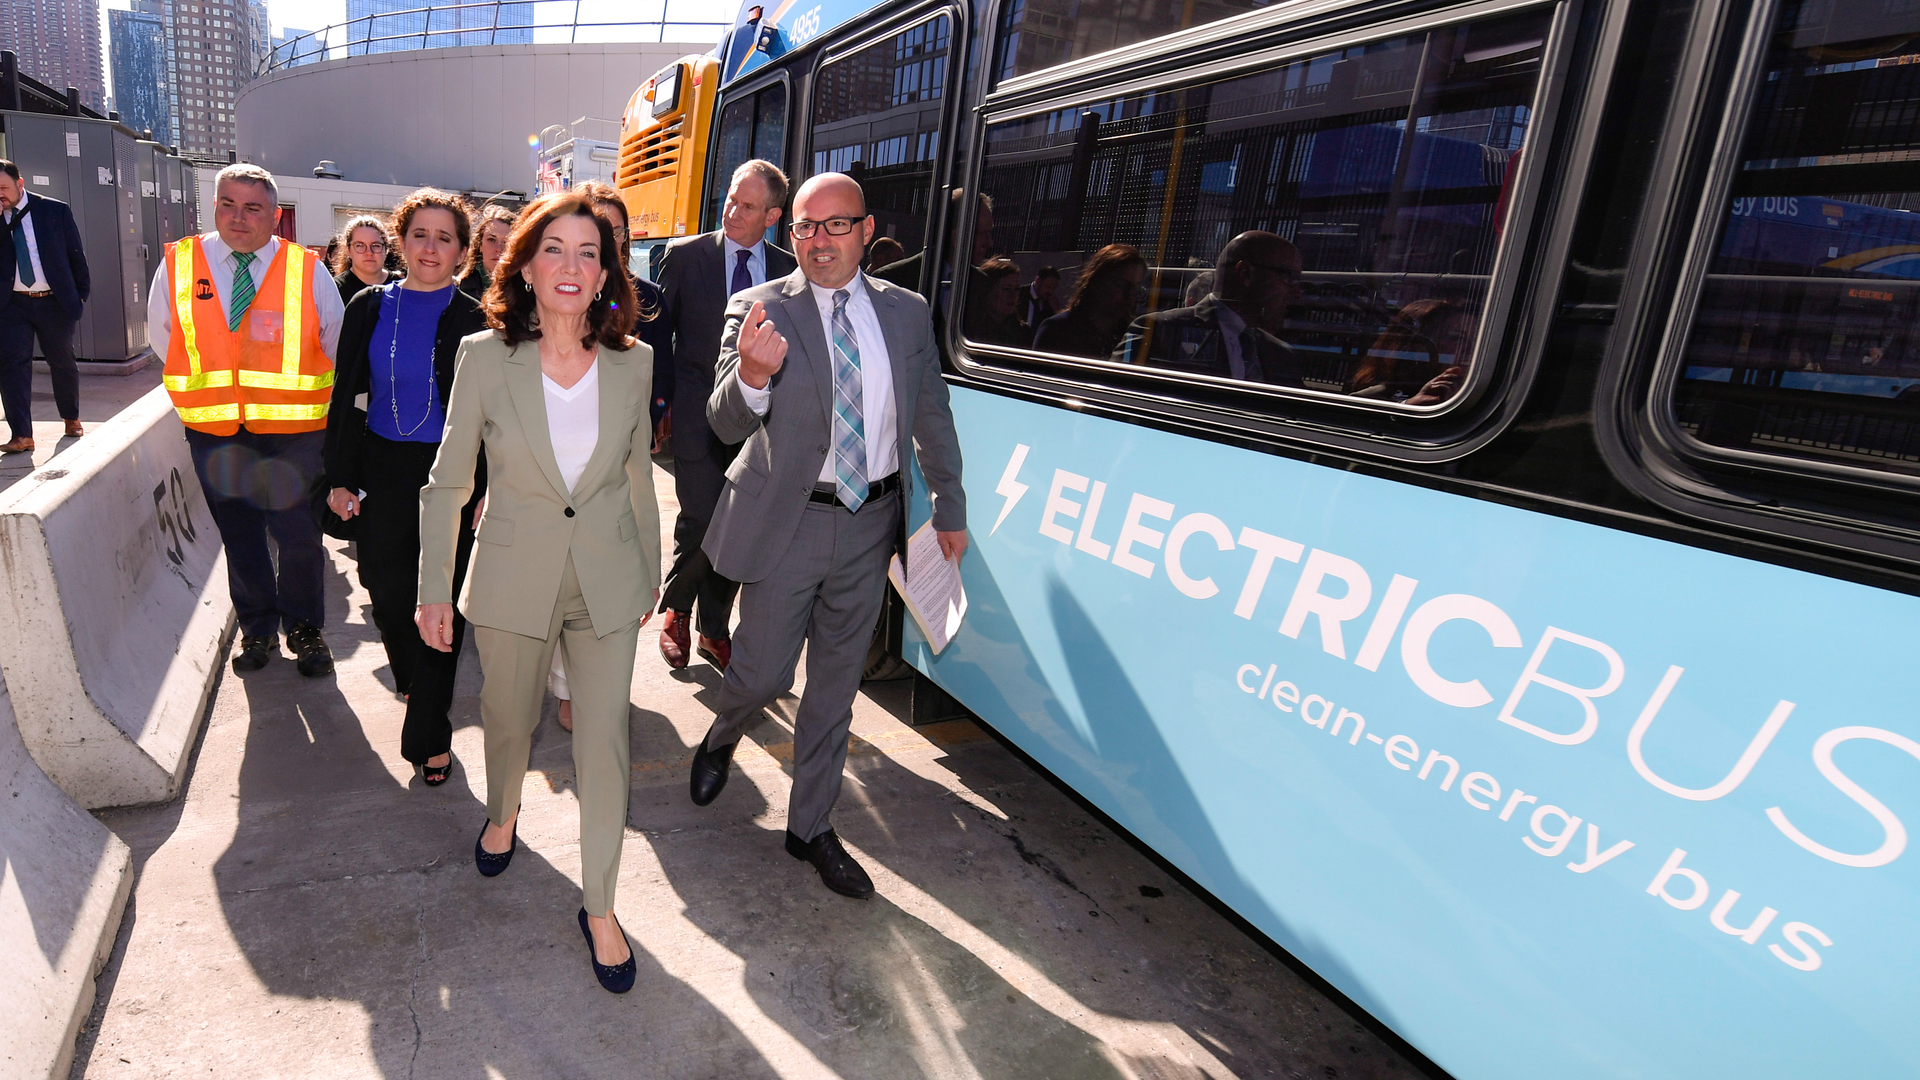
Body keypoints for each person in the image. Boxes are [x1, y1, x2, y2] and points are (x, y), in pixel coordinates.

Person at [688, 172, 967, 900]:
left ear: (866, 231)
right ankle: (722, 735)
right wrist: (751, 376)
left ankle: (810, 826)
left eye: (835, 226)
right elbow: (722, 423)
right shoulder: (758, 307)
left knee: (834, 692)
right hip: (789, 521)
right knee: (760, 673)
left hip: (872, 524)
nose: (818, 241)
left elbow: (931, 413)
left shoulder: (906, 315)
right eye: (805, 228)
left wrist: (949, 505)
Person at [413, 191, 660, 994]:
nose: (571, 265)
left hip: (606, 579)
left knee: (604, 744)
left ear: (605, 274)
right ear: (522, 264)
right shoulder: (485, 358)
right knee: (508, 721)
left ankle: (599, 905)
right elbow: (449, 482)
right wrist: (433, 589)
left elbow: (636, 479)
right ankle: (504, 810)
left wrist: (650, 569)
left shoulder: (635, 362)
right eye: (554, 248)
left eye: (589, 252)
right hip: (513, 575)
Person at [147, 163, 343, 675]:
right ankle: (257, 630)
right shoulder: (180, 264)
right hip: (214, 430)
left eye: (253, 207)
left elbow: (335, 340)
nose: (239, 217)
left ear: (275, 216)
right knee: (240, 535)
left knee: (299, 534)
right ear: (213, 206)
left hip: (294, 432)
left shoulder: (306, 269)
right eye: (228, 204)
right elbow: (161, 337)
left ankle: (305, 628)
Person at [322, 189, 486, 784]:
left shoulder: (475, 316)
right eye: (421, 234)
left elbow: (493, 416)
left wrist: (487, 488)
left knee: (440, 605)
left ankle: (428, 731)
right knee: (389, 597)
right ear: (402, 240)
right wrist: (338, 477)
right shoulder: (368, 305)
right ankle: (418, 682)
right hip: (382, 468)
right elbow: (344, 396)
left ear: (463, 251)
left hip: (453, 474)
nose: (431, 248)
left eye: (446, 238)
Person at [655, 159, 796, 672]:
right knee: (705, 513)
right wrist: (659, 404)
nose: (733, 211)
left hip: (760, 420)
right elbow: (657, 334)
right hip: (696, 415)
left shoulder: (788, 268)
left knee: (743, 522)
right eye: (731, 199)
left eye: (749, 206)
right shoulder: (687, 256)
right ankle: (677, 609)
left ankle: (713, 630)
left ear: (773, 216)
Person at [553, 179, 675, 731]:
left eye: (615, 231)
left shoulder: (644, 297)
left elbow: (659, 368)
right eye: (596, 228)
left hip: (623, 451)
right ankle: (566, 684)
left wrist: (653, 418)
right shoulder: (557, 291)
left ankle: (603, 677)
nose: (607, 239)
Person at [1112, 231, 1304, 386]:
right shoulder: (1160, 332)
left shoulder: (1281, 355)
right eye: (1289, 278)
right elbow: (1113, 402)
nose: (1297, 293)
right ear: (1245, 274)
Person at [0, 159, 91, 452]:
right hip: (12, 304)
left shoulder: (54, 210)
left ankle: (70, 417)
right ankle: (22, 435)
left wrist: (79, 295)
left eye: (3, 188)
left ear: (19, 184)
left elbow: (75, 254)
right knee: (13, 367)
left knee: (62, 362)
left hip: (53, 301)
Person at [1032, 244, 1146, 359]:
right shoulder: (1058, 330)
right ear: (1098, 281)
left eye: (1135, 288)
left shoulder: (1132, 337)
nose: (1130, 295)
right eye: (1122, 285)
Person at [332, 215, 399, 308]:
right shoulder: (334, 290)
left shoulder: (400, 286)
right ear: (348, 250)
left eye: (376, 245)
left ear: (386, 249)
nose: (369, 252)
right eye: (359, 245)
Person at [964, 258, 1031, 347]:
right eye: (1006, 289)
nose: (1013, 295)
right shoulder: (968, 328)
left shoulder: (1023, 333)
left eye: (1017, 289)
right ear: (988, 291)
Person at [460, 202, 515, 300]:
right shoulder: (459, 289)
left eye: (506, 241)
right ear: (480, 244)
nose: (498, 249)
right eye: (492, 240)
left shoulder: (527, 291)